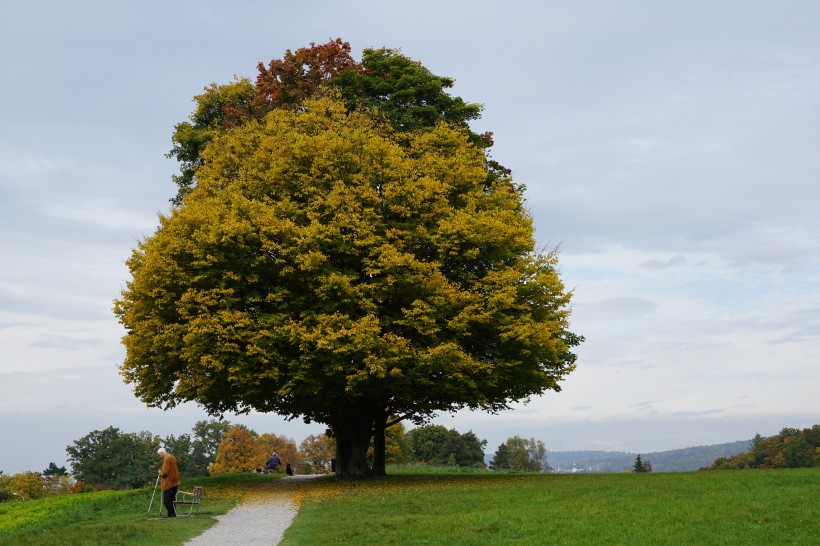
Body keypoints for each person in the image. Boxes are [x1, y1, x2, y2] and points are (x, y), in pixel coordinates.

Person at [157, 447, 181, 517]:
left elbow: (165, 472)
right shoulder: (172, 457)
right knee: (172, 500)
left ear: (162, 453)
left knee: (167, 501)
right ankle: (170, 514)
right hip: (175, 481)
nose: (159, 456)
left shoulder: (166, 459)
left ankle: (172, 514)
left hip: (169, 482)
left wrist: (160, 472)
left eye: (159, 454)